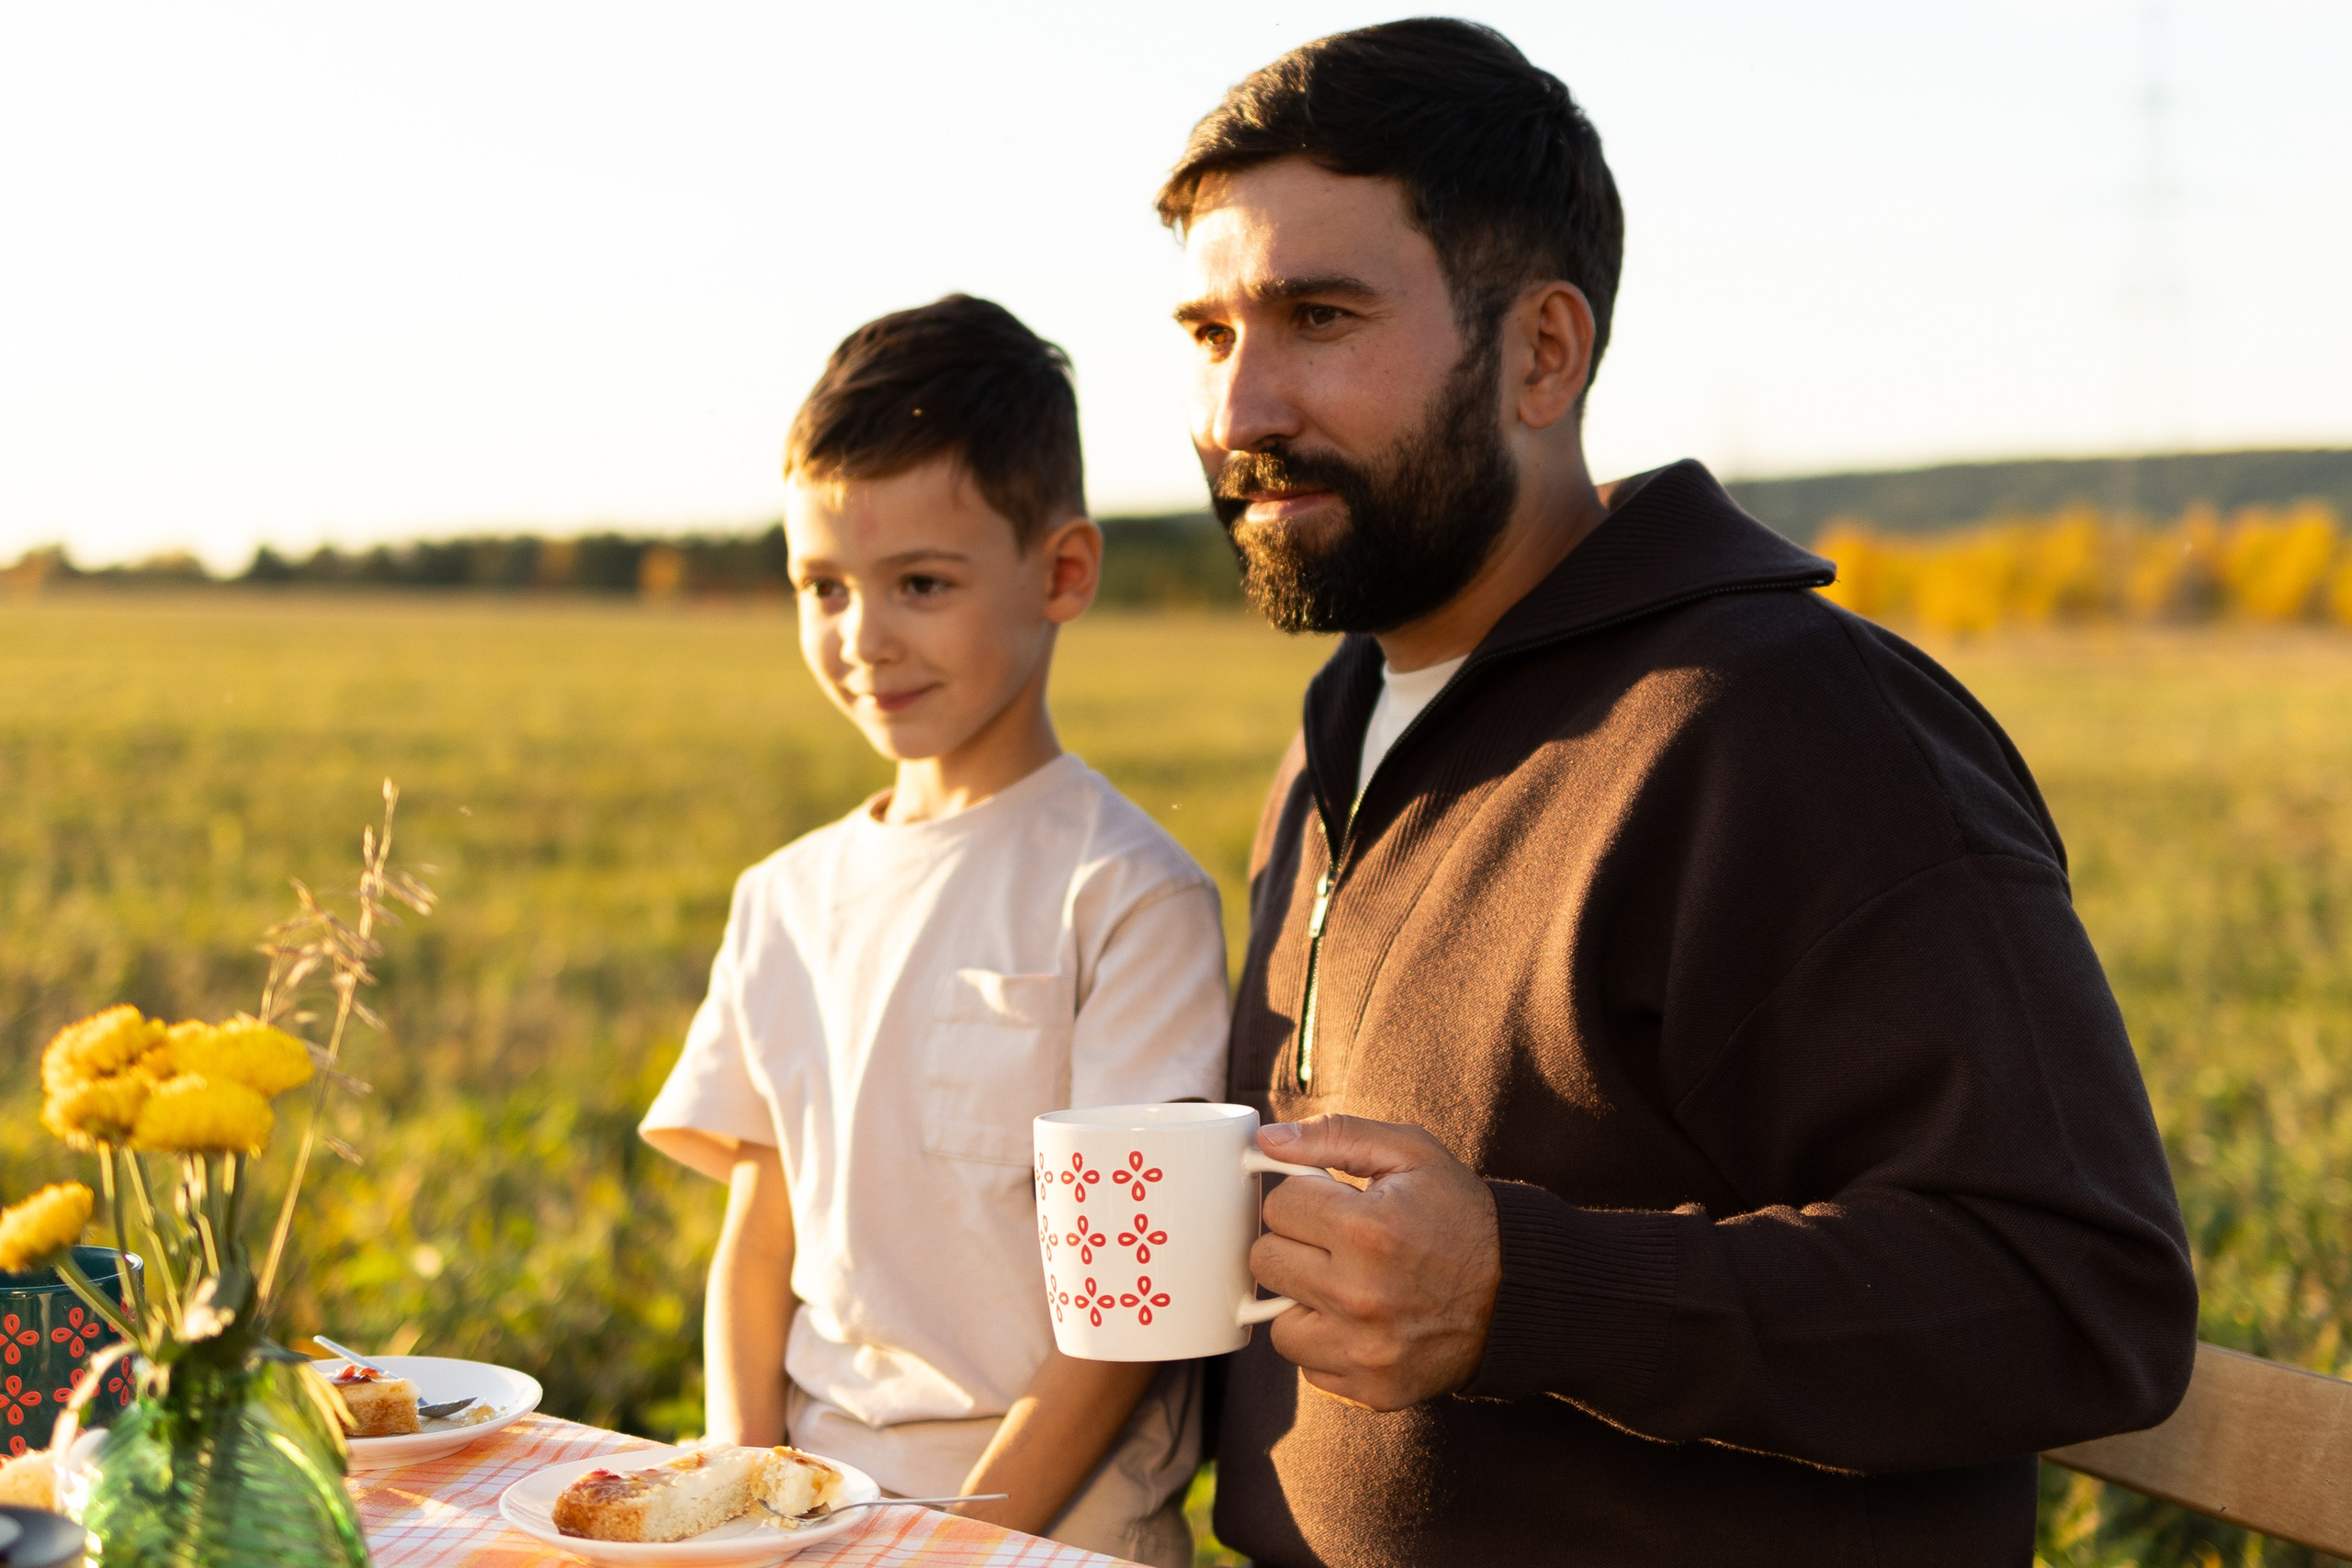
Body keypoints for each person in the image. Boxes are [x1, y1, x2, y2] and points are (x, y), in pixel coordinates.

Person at [1159, 20, 2199, 1566]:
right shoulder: (1336, 742)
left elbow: (2072, 1294)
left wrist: (1521, 1286)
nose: (1241, 412)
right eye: (1208, 334)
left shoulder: (1787, 726)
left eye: (1319, 316)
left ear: (1543, 353)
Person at [639, 295, 1226, 1567]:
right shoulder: (782, 899)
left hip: (1046, 1540)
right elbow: (760, 1237)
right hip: (800, 1524)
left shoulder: (1125, 896)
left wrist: (947, 1550)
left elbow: (1128, 1311)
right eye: (823, 586)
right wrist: (737, 1494)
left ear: (1063, 572)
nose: (864, 639)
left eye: (920, 583)